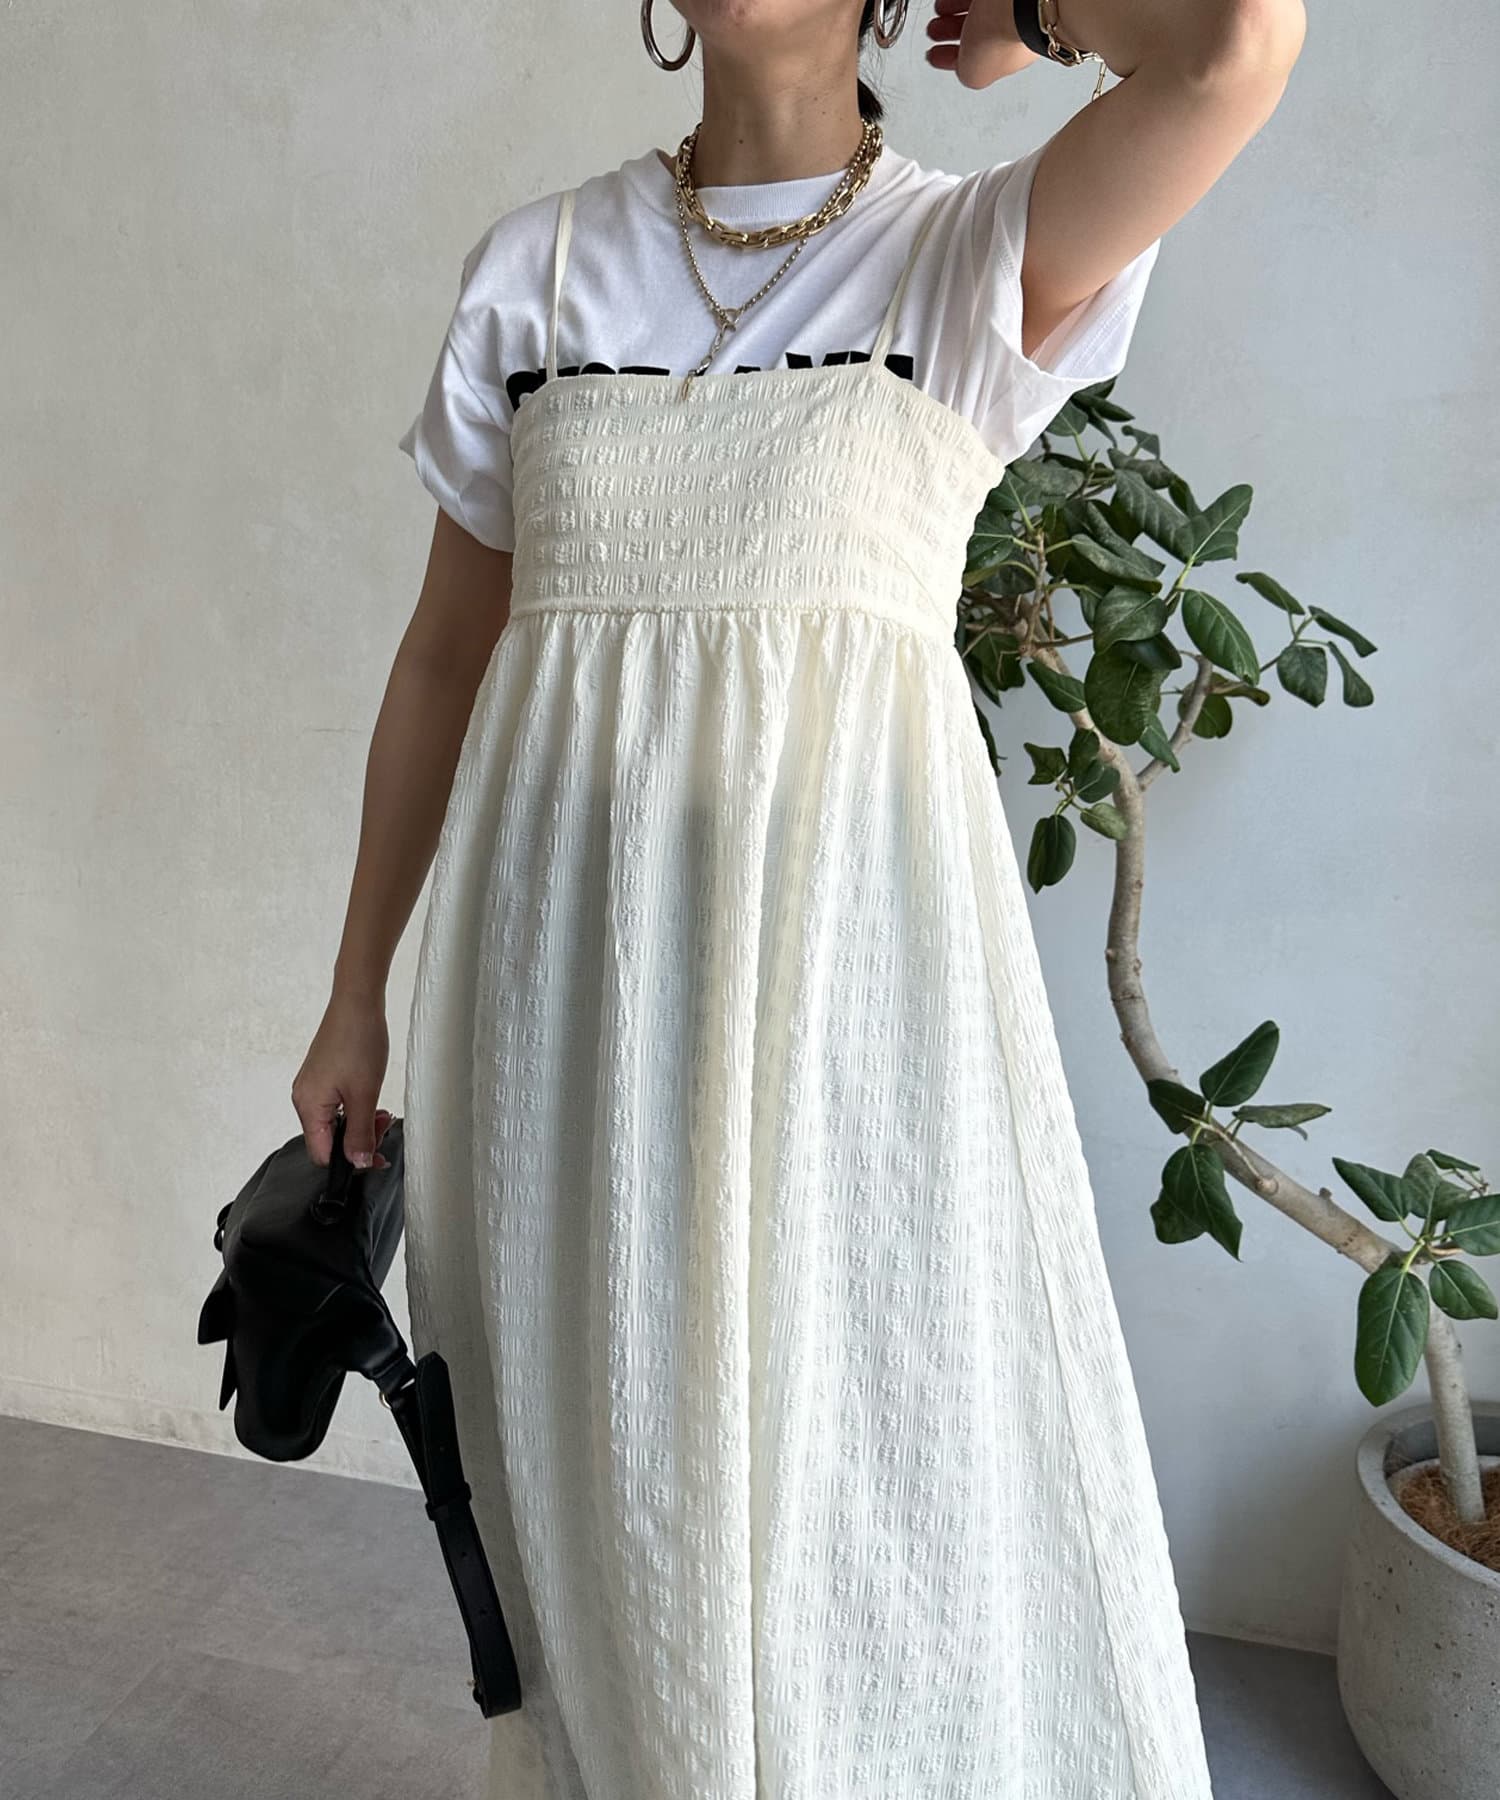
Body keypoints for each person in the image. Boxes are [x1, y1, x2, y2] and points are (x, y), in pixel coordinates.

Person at [293, 1, 1304, 1793]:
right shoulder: (540, 271)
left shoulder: (972, 257)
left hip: (855, 1008)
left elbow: (1236, 41)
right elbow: (446, 656)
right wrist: (355, 987)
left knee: (868, 1502)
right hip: (562, 997)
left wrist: (1038, 14)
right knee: (596, 1488)